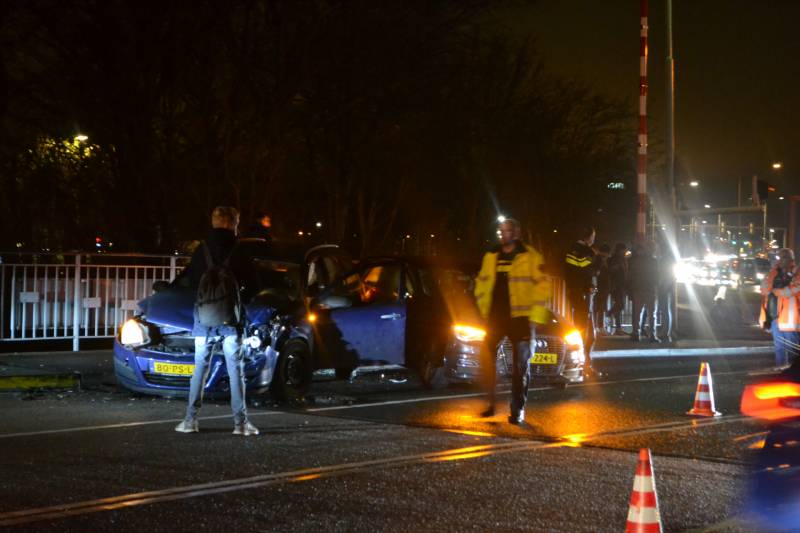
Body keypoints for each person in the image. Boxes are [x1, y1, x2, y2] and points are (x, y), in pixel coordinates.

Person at [175, 206, 259, 436]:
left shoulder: (201, 251)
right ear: (233, 224)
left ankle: (190, 421)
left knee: (200, 369)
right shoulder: (239, 250)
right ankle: (240, 424)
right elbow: (253, 285)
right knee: (235, 370)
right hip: (231, 320)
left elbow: (191, 283)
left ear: (214, 223)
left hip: (203, 320)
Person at [474, 219, 550, 424]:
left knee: (521, 366)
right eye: (501, 231)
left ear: (516, 233)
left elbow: (543, 288)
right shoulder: (491, 256)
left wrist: (534, 318)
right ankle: (491, 404)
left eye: (507, 231)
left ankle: (517, 409)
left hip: (521, 319)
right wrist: (483, 310)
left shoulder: (531, 257)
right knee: (487, 360)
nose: (503, 234)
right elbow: (482, 283)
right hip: (496, 318)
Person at [564, 227, 600, 376]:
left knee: (586, 332)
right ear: (589, 237)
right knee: (585, 333)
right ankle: (582, 365)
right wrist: (595, 258)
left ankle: (584, 365)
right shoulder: (585, 252)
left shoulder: (572, 249)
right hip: (582, 296)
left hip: (578, 294)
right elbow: (588, 270)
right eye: (594, 236)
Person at [760, 248, 800, 369]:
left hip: (791, 321)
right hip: (775, 319)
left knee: (792, 351)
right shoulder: (774, 273)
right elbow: (764, 289)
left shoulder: (797, 273)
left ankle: (794, 379)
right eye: (778, 257)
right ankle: (781, 378)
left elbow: (792, 290)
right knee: (780, 350)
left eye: (782, 257)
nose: (779, 260)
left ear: (790, 259)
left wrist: (775, 290)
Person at [628, 241, 659, 342]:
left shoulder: (636, 261)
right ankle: (652, 335)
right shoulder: (653, 261)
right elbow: (656, 276)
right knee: (652, 313)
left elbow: (631, 275)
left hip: (638, 289)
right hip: (649, 289)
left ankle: (635, 333)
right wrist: (656, 285)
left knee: (637, 312)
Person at [655, 240, 677, 343]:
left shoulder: (664, 259)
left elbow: (663, 274)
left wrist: (662, 285)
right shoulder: (669, 258)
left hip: (664, 287)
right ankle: (668, 331)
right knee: (667, 310)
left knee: (665, 310)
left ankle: (665, 331)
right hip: (668, 286)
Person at [607, 242, 628, 335]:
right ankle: (610, 314)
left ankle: (618, 327)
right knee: (620, 304)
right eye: (624, 250)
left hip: (622, 285)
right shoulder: (614, 259)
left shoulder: (623, 259)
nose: (625, 251)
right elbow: (611, 270)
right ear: (620, 250)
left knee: (621, 305)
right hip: (616, 285)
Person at [593, 243, 611, 336]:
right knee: (600, 307)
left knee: (598, 307)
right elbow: (599, 273)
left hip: (601, 286)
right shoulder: (600, 261)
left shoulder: (598, 259)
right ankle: (599, 326)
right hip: (602, 286)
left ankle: (597, 326)